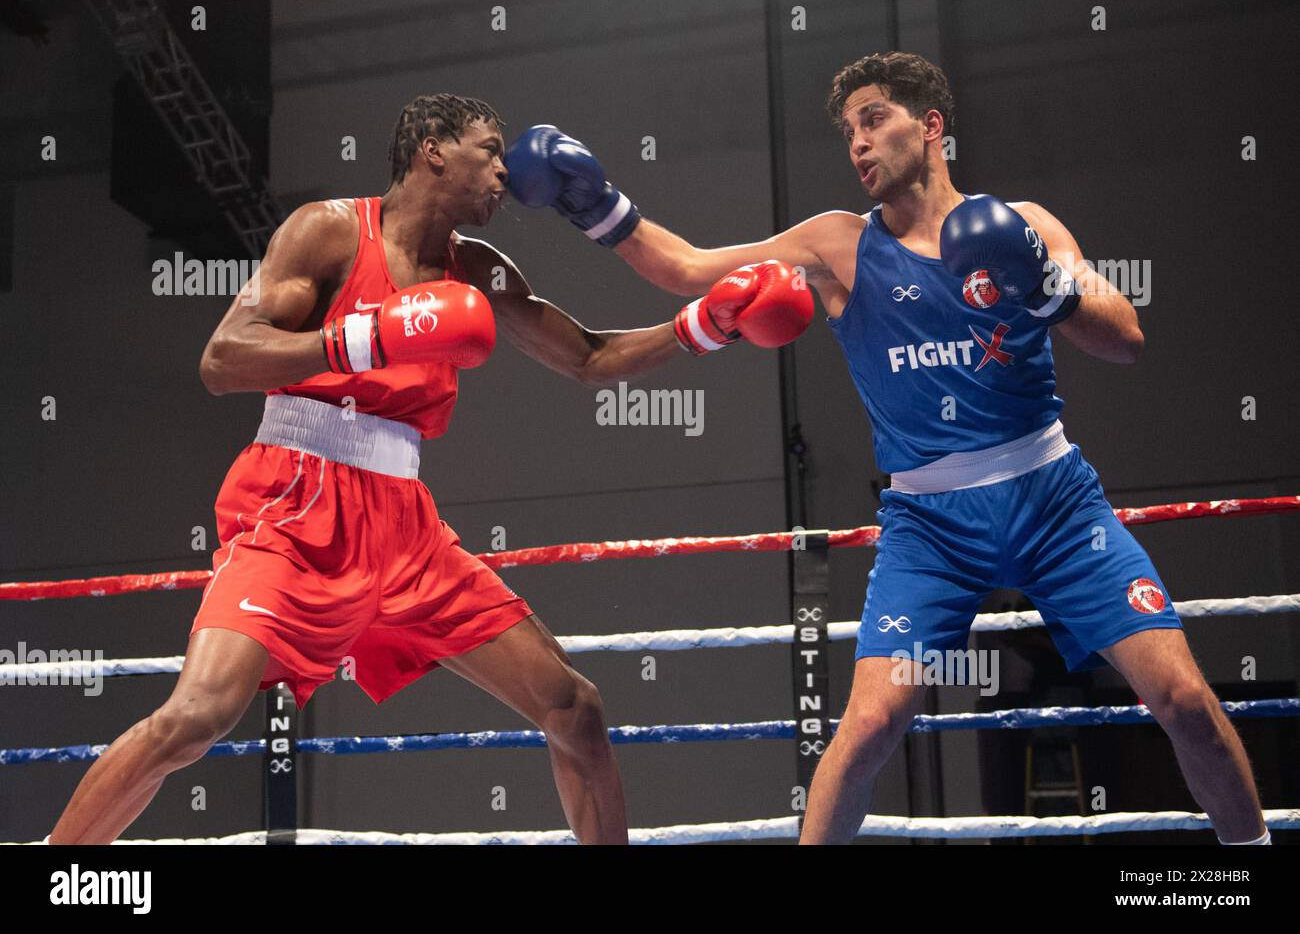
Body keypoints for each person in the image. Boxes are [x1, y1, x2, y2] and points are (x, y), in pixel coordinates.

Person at [503, 52, 1271, 845]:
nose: (857, 144)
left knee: (1184, 702)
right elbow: (685, 267)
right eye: (848, 131)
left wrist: (1045, 285)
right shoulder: (837, 245)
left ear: (930, 125)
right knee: (867, 728)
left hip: (1054, 499)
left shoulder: (1028, 226)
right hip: (930, 528)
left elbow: (1127, 340)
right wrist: (591, 204)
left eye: (873, 120)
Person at [49, 93, 808, 845]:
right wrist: (363, 339)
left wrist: (700, 327)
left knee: (573, 706)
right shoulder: (329, 233)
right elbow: (223, 360)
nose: (504, 172)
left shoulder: (474, 267)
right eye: (489, 149)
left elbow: (588, 357)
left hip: (404, 526)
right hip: (296, 499)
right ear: (432, 149)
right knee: (198, 717)